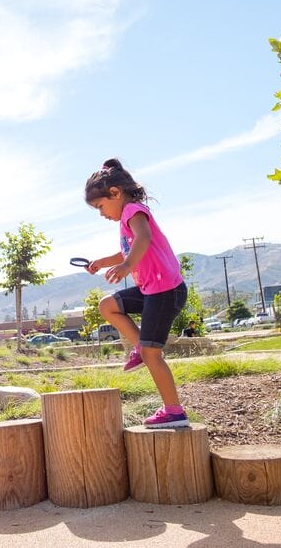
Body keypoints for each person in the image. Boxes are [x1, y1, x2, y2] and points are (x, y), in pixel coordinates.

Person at [83, 158, 189, 428]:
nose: (101, 213)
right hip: (152, 290)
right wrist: (101, 262)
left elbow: (144, 239)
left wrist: (127, 265)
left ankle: (174, 412)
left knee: (154, 356)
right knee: (108, 305)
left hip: (166, 291)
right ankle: (140, 347)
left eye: (100, 206)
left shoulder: (133, 211)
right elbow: (126, 251)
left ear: (115, 193)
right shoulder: (126, 219)